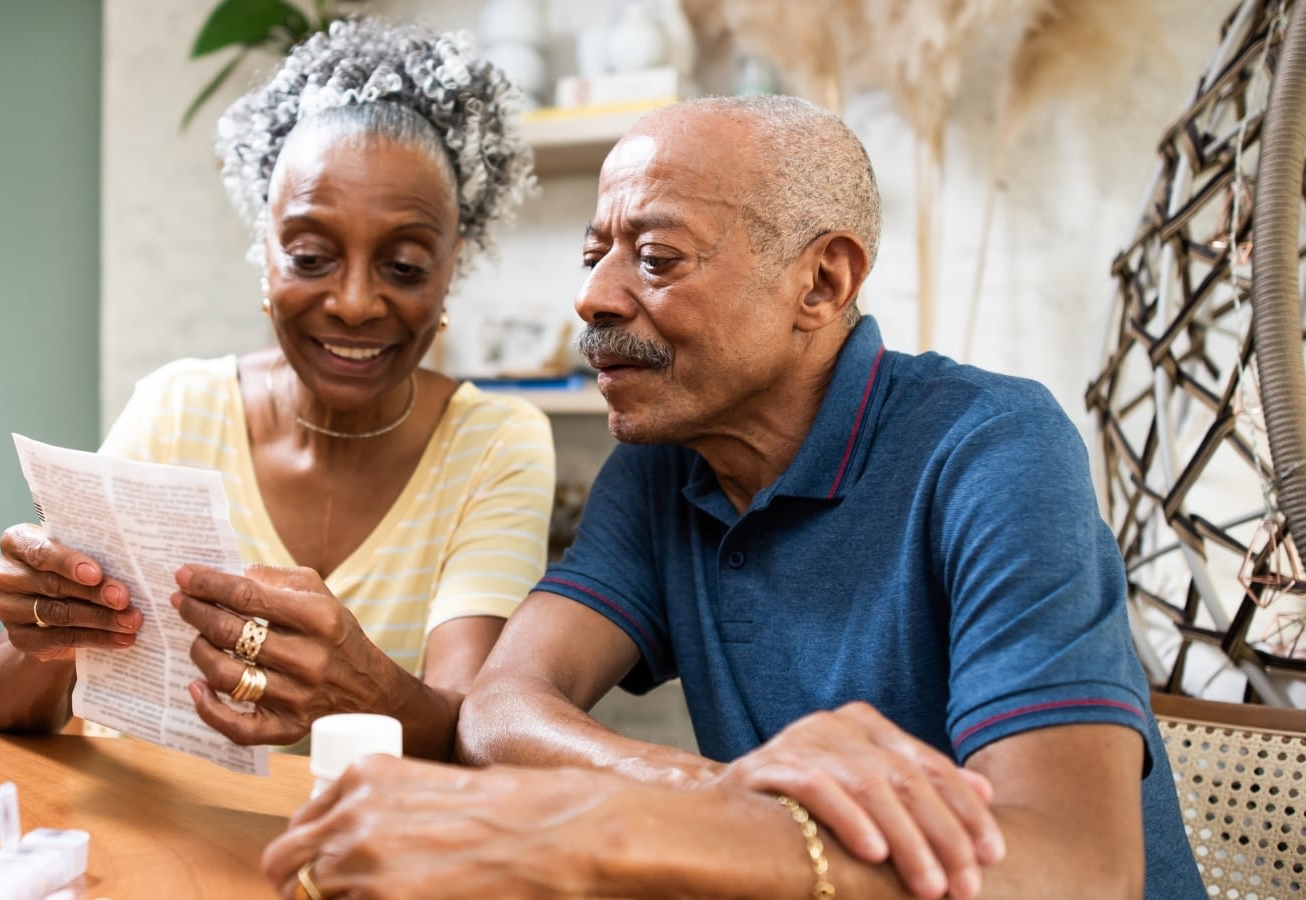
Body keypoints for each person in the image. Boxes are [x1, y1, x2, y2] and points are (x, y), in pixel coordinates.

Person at [259, 95, 1204, 898]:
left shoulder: (993, 448)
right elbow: (501, 708)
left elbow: (1075, 869)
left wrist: (598, 826)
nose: (594, 297)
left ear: (822, 282)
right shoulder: (666, 458)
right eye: (596, 254)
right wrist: (723, 792)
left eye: (657, 258)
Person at [0, 19, 552, 762]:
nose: (353, 302)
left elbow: (469, 738)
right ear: (265, 251)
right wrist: (45, 629)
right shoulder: (178, 410)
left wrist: (358, 683)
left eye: (404, 266)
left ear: (450, 270)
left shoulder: (494, 442)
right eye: (310, 256)